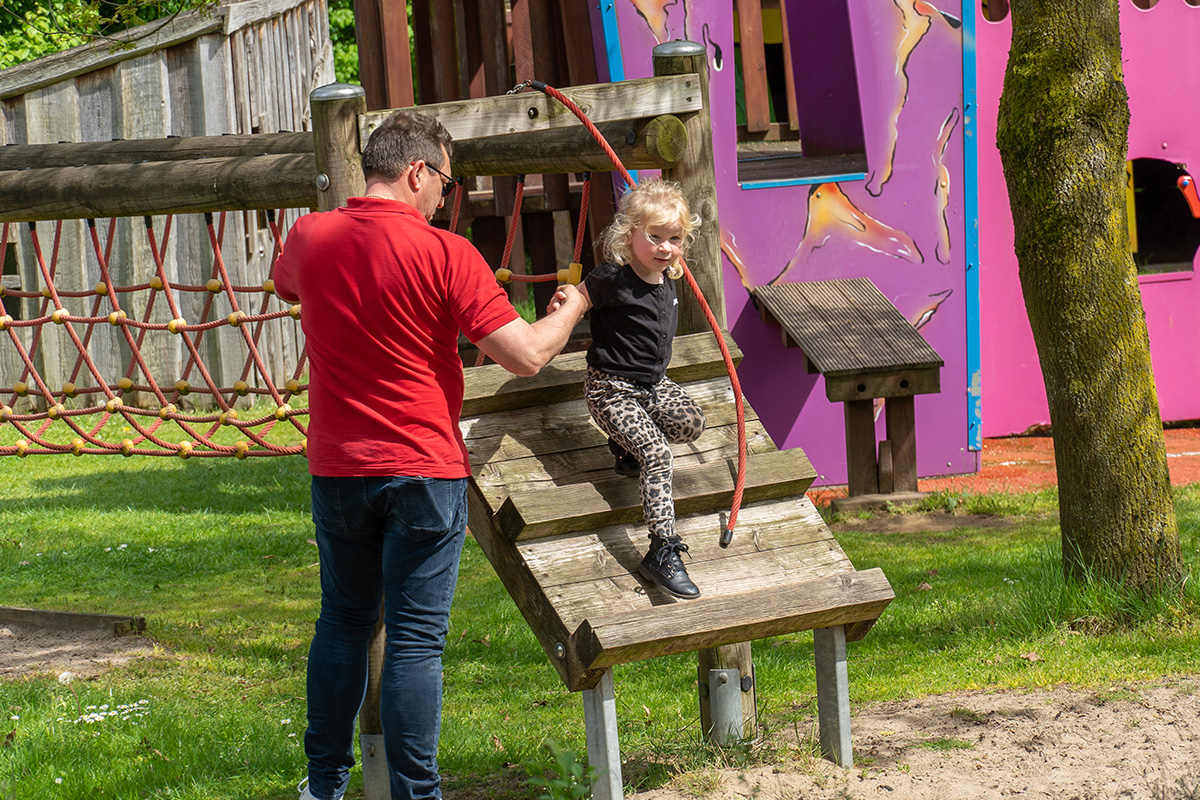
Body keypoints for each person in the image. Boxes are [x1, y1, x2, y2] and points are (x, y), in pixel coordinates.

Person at [273, 109, 588, 800]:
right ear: (417, 171)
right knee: (415, 639)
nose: (446, 196)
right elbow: (527, 356)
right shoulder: (447, 254)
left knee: (343, 622)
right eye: (445, 181)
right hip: (422, 464)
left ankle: (322, 785)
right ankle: (418, 794)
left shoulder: (309, 234)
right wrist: (571, 308)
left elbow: (288, 285)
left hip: (338, 465)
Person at [548, 179, 706, 599]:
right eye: (653, 237)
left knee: (692, 423)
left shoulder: (666, 278)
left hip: (652, 386)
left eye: (674, 239)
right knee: (657, 453)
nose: (664, 247)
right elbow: (579, 299)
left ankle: (624, 447)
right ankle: (661, 548)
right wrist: (565, 300)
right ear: (628, 234)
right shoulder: (612, 278)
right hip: (611, 389)